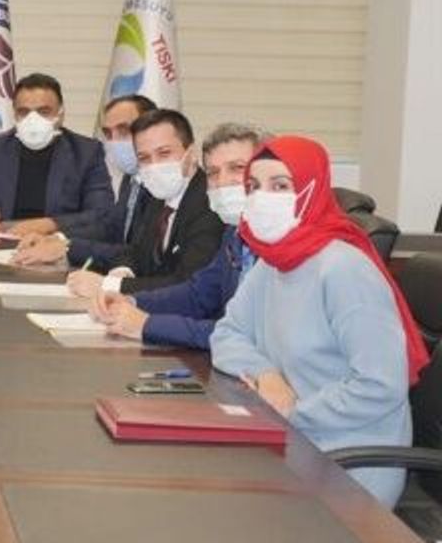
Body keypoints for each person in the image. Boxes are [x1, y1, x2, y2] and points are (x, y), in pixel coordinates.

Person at [210, 135, 429, 507]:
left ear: (312, 190)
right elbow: (227, 334)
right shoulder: (274, 261)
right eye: (254, 187)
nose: (262, 198)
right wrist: (266, 374)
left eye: (280, 186)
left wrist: (293, 412)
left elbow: (380, 385)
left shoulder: (344, 269)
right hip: (292, 440)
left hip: (351, 459)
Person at [86, 123, 269, 349]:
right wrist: (132, 301)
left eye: (237, 168)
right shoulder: (236, 231)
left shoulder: (283, 245)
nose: (222, 181)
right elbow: (199, 294)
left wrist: (148, 325)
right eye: (213, 172)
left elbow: (250, 336)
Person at [66, 108, 223, 297]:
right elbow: (137, 251)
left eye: (164, 153)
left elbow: (188, 282)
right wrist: (123, 271)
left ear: (191, 153)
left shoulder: (210, 204)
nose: (154, 165)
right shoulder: (157, 195)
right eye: (144, 158)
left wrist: (112, 285)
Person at [0, 73, 113, 235]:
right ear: (14, 114)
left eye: (44, 111)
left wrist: (51, 224)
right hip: (2, 242)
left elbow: (102, 214)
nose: (33, 120)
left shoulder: (86, 153)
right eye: (24, 112)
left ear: (60, 114)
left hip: (56, 245)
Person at [13, 94, 156, 266]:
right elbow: (112, 229)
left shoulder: (161, 186)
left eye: (124, 130)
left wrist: (68, 248)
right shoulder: (132, 177)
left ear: (152, 129)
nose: (114, 141)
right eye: (108, 133)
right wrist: (58, 238)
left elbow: (141, 256)